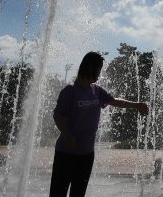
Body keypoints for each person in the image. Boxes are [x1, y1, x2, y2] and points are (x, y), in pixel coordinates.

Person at [50, 51, 149, 197]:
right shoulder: (70, 91)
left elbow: (115, 101)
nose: (100, 73)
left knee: (78, 193)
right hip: (66, 153)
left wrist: (136, 105)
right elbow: (57, 115)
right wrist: (67, 135)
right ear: (90, 68)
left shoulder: (97, 90)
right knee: (58, 193)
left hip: (86, 154)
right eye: (99, 69)